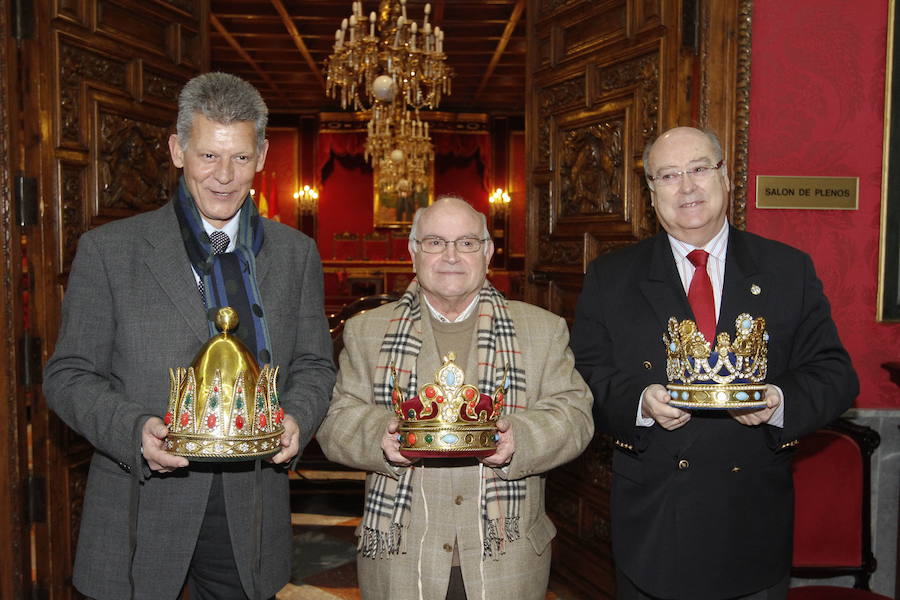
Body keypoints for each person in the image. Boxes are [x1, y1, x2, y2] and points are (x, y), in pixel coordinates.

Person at [43, 72, 336, 600]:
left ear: (263, 155)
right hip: (140, 511)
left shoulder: (296, 255)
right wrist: (135, 430)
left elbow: (315, 364)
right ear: (178, 150)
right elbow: (68, 376)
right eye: (208, 156)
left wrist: (296, 419)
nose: (224, 176)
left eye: (240, 158)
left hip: (252, 515)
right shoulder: (109, 250)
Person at [570, 126, 859, 600]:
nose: (687, 187)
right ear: (651, 192)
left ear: (725, 176)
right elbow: (584, 377)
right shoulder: (611, 277)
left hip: (750, 523)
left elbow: (835, 374)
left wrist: (778, 401)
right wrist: (641, 403)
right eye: (668, 175)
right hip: (655, 524)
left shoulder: (788, 270)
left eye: (700, 169)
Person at [316, 196, 593, 600]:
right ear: (413, 252)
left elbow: (575, 414)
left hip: (507, 556)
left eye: (466, 243)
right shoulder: (367, 332)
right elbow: (335, 421)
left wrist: (521, 439)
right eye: (434, 242)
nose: (450, 255)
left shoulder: (542, 329)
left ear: (488, 253)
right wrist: (382, 436)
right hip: (401, 557)